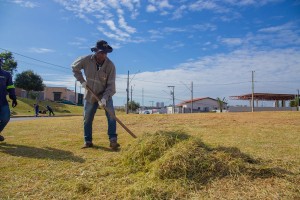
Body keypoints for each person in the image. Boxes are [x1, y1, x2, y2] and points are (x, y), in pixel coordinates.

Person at [72, 40, 120, 150]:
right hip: (90, 94)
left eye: (105, 53)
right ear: (96, 51)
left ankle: (113, 140)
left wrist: (104, 98)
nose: (103, 55)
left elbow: (111, 86)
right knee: (87, 118)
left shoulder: (110, 66)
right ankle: (88, 141)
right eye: (101, 52)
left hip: (105, 95)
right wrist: (82, 81)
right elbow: (74, 67)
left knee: (112, 116)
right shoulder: (86, 60)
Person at [0, 58, 17, 142]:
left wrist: (13, 97)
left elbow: (10, 86)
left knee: (6, 118)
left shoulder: (6, 74)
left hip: (2, 101)